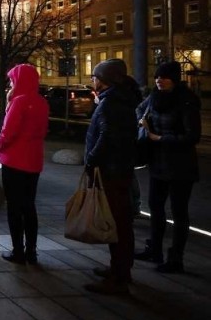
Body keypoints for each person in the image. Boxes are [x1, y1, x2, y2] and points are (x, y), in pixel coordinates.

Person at [134, 61, 201, 274]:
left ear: (175, 79)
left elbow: (192, 136)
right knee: (155, 205)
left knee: (179, 212)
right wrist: (144, 125)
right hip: (158, 163)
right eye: (157, 77)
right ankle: (155, 249)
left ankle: (176, 258)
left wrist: (160, 137)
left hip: (181, 165)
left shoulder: (186, 101)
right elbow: (139, 110)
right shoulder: (154, 98)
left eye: (164, 77)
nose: (159, 80)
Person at [83, 58, 142, 294]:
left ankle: (119, 278)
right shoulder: (121, 100)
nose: (93, 81)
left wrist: (91, 160)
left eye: (95, 77)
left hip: (111, 171)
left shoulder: (110, 104)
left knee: (116, 222)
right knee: (120, 222)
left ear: (104, 80)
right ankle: (119, 269)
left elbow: (106, 137)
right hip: (120, 168)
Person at [0, 63, 48, 264]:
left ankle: (18, 249)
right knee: (29, 206)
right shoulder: (41, 102)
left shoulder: (19, 102)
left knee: (14, 207)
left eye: (12, 80)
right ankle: (31, 250)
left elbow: (8, 132)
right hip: (34, 161)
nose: (10, 84)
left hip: (15, 160)